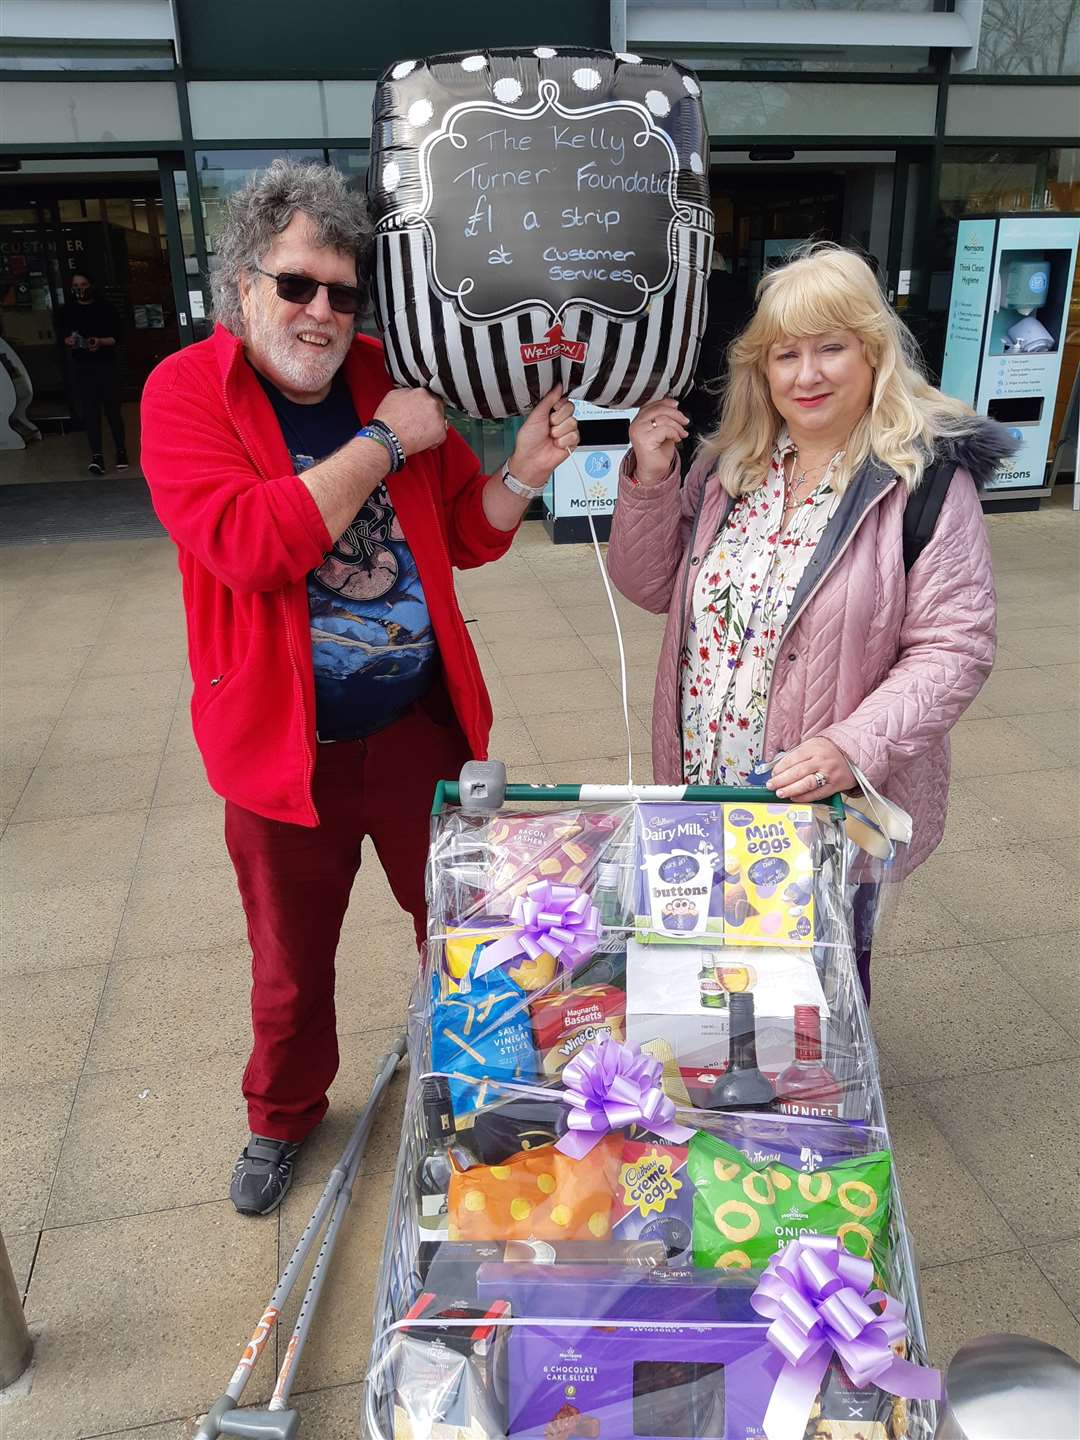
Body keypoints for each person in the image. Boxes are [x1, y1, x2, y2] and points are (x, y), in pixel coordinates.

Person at [140, 159, 578, 1215]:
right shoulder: (187, 393)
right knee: (291, 964)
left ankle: (488, 1093)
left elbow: (465, 537)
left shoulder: (390, 370)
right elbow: (251, 547)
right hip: (283, 751)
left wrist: (520, 471)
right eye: (296, 285)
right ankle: (283, 1116)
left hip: (416, 730)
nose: (321, 312)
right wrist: (383, 443)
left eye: (342, 292)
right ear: (244, 286)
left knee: (470, 929)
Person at [607, 243, 1013, 998]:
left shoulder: (922, 484)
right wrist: (652, 478)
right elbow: (649, 582)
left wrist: (849, 748)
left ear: (874, 353)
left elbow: (955, 647)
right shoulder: (732, 465)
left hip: (824, 797)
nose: (807, 374)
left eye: (832, 348)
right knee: (708, 977)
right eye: (785, 354)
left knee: (811, 996)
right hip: (705, 776)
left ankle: (813, 1104)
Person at [59, 273, 128, 474]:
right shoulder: (68, 312)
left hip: (106, 365)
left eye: (83, 284)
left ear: (91, 285)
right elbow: (62, 337)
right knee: (90, 413)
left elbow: (118, 336)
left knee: (113, 411)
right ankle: (97, 455)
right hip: (82, 368)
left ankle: (121, 450)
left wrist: (100, 342)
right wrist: (70, 341)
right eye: (76, 285)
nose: (80, 289)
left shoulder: (106, 308)